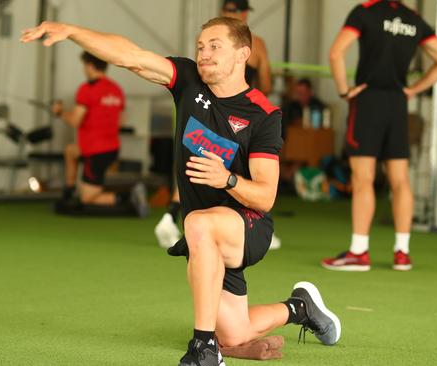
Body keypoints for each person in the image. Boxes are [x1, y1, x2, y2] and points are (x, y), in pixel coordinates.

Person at [21, 16, 340, 366]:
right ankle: (300, 307)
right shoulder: (189, 81)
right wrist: (73, 32)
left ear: (242, 54)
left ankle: (204, 348)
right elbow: (130, 56)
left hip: (246, 226)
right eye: (200, 47)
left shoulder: (264, 115)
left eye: (215, 46)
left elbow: (265, 197)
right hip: (204, 237)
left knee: (199, 224)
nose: (203, 54)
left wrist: (228, 179)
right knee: (236, 332)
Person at [323, 0, 437, 271]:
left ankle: (359, 251)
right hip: (397, 104)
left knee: (363, 177)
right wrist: (414, 89)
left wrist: (345, 91)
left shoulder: (365, 12)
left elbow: (336, 54)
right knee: (400, 179)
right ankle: (402, 252)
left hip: (368, 101)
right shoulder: (412, 18)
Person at [155, 0, 281, 250]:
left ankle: (172, 215)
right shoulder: (256, 45)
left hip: (234, 111)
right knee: (210, 161)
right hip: (236, 111)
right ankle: (178, 217)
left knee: (201, 157)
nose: (205, 51)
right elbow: (266, 83)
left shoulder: (216, 43)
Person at [53, 52, 148, 217]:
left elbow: (75, 120)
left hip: (94, 152)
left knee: (87, 199)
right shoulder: (116, 89)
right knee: (71, 151)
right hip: (111, 149)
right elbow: (121, 122)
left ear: (89, 66)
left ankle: (127, 197)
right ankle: (68, 193)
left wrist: (60, 112)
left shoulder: (86, 89)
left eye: (84, 65)